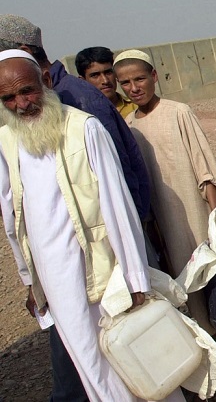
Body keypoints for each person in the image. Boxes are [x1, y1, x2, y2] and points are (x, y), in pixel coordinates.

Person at [0, 50, 183, 401]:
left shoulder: (84, 128)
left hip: (103, 268)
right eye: (8, 98)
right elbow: (13, 220)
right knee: (91, 366)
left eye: (27, 91)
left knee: (138, 354)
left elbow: (118, 206)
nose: (21, 104)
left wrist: (135, 278)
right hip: (55, 281)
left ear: (46, 81)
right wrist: (30, 281)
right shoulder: (7, 140)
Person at [114, 50, 216, 390]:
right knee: (193, 294)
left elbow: (205, 168)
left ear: (154, 76)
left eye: (139, 79)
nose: (134, 88)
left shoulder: (178, 112)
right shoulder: (130, 126)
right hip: (168, 226)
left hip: (201, 216)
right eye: (125, 83)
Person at [75, 46, 138, 118]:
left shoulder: (137, 107)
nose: (105, 81)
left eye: (108, 72)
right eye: (95, 75)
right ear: (83, 81)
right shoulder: (80, 116)